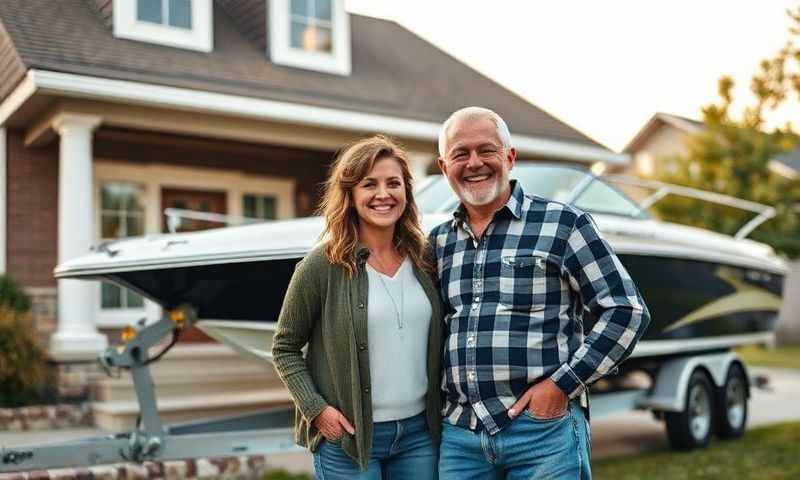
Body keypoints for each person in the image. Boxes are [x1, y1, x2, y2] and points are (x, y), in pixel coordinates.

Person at [429, 107, 651, 479]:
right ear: (443, 166)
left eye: (487, 150)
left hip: (542, 432)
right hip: (460, 437)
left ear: (510, 157)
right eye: (460, 154)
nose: (474, 163)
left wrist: (563, 384)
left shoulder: (563, 224)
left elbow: (627, 311)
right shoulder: (437, 243)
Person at [271, 135, 443, 479]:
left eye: (393, 183)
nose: (383, 194)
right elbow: (284, 347)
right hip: (349, 438)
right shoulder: (322, 265)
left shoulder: (426, 259)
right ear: (350, 195)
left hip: (419, 436)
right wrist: (316, 410)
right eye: (369, 184)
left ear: (407, 193)